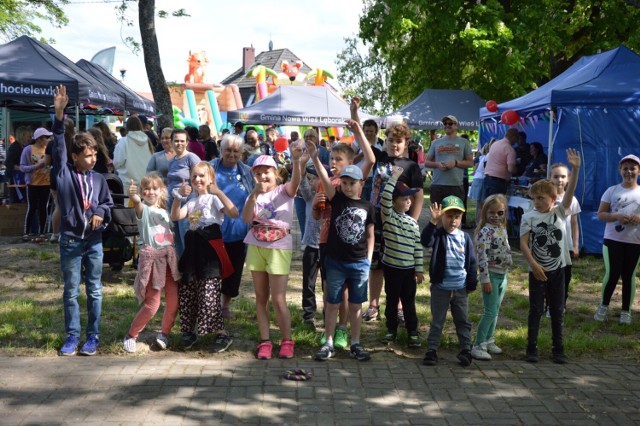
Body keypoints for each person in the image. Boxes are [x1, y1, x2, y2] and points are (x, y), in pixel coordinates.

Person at [52, 85, 114, 357]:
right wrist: (59, 115)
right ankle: (72, 336)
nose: (93, 158)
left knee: (95, 291)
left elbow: (106, 202)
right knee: (70, 292)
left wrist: (100, 212)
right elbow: (58, 149)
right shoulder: (64, 174)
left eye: (95, 154)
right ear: (75, 156)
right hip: (70, 240)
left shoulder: (99, 179)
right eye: (88, 155)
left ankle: (93, 337)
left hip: (94, 242)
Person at [312, 117, 375, 349]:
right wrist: (313, 208)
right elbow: (317, 216)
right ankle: (328, 332)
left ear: (350, 162)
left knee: (349, 293)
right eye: (332, 158)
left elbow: (370, 158)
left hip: (352, 248)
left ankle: (342, 329)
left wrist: (358, 131)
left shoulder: (352, 181)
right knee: (331, 290)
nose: (334, 162)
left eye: (338, 159)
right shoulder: (326, 183)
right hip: (327, 242)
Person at [520, 148, 580, 364]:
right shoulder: (529, 217)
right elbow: (523, 243)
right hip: (538, 270)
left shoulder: (560, 212)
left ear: (553, 198)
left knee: (557, 309)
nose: (537, 202)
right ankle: (531, 347)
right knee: (535, 309)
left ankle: (558, 348)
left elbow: (570, 192)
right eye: (534, 198)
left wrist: (575, 169)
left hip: (558, 269)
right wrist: (534, 264)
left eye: (541, 198)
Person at [242, 148, 303, 360]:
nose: (262, 177)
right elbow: (246, 218)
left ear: (275, 173)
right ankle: (265, 341)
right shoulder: (254, 195)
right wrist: (253, 195)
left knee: (278, 298)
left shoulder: (284, 191)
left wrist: (295, 161)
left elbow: (295, 182)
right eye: (258, 173)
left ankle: (287, 340)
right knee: (261, 297)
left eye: (266, 172)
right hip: (256, 245)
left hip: (279, 247)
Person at [171, 162, 238, 352]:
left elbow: (234, 212)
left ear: (210, 179)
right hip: (192, 250)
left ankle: (221, 333)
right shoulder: (191, 202)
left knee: (209, 292)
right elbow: (176, 216)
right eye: (194, 177)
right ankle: (189, 332)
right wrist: (178, 197)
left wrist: (218, 192)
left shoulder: (214, 199)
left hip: (209, 250)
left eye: (202, 176)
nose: (197, 180)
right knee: (189, 290)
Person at [362, 120, 423, 324]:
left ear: (406, 143)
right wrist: (354, 119)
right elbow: (363, 143)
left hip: (399, 226)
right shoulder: (379, 158)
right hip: (377, 220)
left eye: (399, 141)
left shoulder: (411, 166)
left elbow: (419, 197)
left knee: (397, 266)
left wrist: (411, 222)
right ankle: (373, 305)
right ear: (385, 141)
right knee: (376, 265)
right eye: (390, 140)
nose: (394, 145)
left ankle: (397, 306)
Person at [122, 173, 181, 353]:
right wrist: (134, 198)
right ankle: (131, 335)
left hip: (169, 261)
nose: (150, 192)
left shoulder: (165, 212)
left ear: (162, 191)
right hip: (154, 262)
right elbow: (138, 204)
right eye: (146, 189)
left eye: (155, 188)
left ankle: (164, 333)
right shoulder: (144, 210)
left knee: (173, 301)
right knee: (152, 304)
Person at [420, 195, 477, 367]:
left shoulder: (465, 237)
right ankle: (432, 350)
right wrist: (432, 222)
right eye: (449, 216)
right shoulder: (437, 235)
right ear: (442, 217)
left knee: (462, 320)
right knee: (437, 320)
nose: (453, 220)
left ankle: (466, 349)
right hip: (441, 287)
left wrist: (472, 282)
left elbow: (471, 261)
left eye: (457, 217)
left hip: (460, 288)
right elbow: (425, 241)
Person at [210, 134, 254, 318]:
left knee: (233, 271)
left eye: (236, 151)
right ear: (221, 149)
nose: (232, 154)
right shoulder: (210, 168)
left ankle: (224, 306)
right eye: (228, 150)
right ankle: (210, 306)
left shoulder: (247, 172)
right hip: (213, 229)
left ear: (242, 152)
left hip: (238, 230)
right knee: (211, 270)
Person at [379, 166, 424, 348]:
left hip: (409, 270)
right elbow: (384, 199)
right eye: (404, 199)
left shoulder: (413, 223)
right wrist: (395, 176)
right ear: (393, 201)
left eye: (409, 199)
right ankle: (391, 329)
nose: (408, 202)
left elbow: (417, 248)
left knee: (408, 301)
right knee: (391, 300)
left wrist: (419, 269)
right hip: (391, 268)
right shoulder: (388, 217)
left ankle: (412, 330)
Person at [594, 154, 640, 324]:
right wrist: (616, 216)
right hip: (613, 239)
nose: (629, 171)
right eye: (625, 168)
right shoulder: (612, 190)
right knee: (613, 274)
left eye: (633, 168)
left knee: (628, 275)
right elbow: (600, 215)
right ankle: (603, 306)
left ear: (639, 171)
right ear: (620, 170)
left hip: (635, 242)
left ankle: (626, 312)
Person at [471, 194, 512, 361]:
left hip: (503, 275)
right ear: (485, 213)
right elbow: (482, 257)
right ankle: (478, 344)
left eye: (500, 212)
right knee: (489, 311)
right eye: (492, 213)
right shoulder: (485, 232)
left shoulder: (502, 228)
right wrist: (485, 279)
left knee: (495, 311)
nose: (496, 216)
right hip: (491, 276)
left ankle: (489, 339)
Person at [547, 162, 581, 317]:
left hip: (566, 246)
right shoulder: (547, 199)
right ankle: (548, 305)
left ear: (568, 179)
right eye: (556, 176)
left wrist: (575, 245)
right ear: (550, 178)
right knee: (550, 276)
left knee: (565, 277)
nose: (559, 180)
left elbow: (574, 224)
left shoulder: (572, 200)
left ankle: (562, 304)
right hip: (550, 247)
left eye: (563, 176)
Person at [424, 115, 473, 205]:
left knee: (454, 217)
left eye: (450, 123)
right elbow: (426, 162)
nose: (447, 125)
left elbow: (470, 163)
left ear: (456, 125)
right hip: (437, 185)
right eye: (445, 123)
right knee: (437, 217)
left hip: (456, 186)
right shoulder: (436, 142)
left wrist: (455, 163)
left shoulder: (464, 142)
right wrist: (437, 164)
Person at [166, 128, 201, 257]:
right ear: (172, 142)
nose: (179, 144)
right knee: (176, 238)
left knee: (186, 235)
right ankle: (181, 268)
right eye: (176, 141)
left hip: (187, 203)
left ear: (187, 142)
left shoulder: (191, 158)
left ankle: (190, 269)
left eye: (182, 141)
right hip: (172, 202)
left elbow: (201, 178)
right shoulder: (172, 160)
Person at [299, 162, 325, 327]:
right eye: (314, 178)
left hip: (327, 247)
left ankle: (328, 313)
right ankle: (309, 315)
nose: (315, 181)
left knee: (327, 284)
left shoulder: (331, 197)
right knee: (308, 282)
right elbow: (301, 179)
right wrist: (301, 160)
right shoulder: (309, 196)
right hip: (310, 246)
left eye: (319, 177)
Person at [20, 127, 52, 242]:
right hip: (32, 183)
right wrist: (36, 167)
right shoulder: (28, 150)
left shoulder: (49, 149)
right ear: (39, 139)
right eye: (46, 137)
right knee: (32, 207)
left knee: (44, 207)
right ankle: (26, 232)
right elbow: (22, 167)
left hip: (46, 183)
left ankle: (42, 232)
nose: (48, 139)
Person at [113, 116, 154, 190]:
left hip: (127, 183)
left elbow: (117, 162)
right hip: (145, 182)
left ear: (127, 127)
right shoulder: (147, 141)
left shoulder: (123, 142)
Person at [483, 128, 518, 197]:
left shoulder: (495, 144)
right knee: (497, 204)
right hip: (499, 181)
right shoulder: (510, 149)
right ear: (513, 137)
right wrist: (516, 170)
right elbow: (511, 169)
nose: (516, 141)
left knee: (488, 203)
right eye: (517, 138)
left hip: (488, 178)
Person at [469, 140, 494, 224]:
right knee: (482, 206)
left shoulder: (483, 156)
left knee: (480, 205)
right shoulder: (489, 156)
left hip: (477, 179)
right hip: (481, 180)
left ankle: (478, 224)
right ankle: (480, 225)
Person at [6, 126, 31, 203]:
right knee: (17, 201)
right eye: (28, 136)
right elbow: (8, 163)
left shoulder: (22, 147)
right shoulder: (14, 147)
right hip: (14, 179)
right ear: (22, 136)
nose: (29, 138)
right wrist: (20, 168)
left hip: (20, 179)